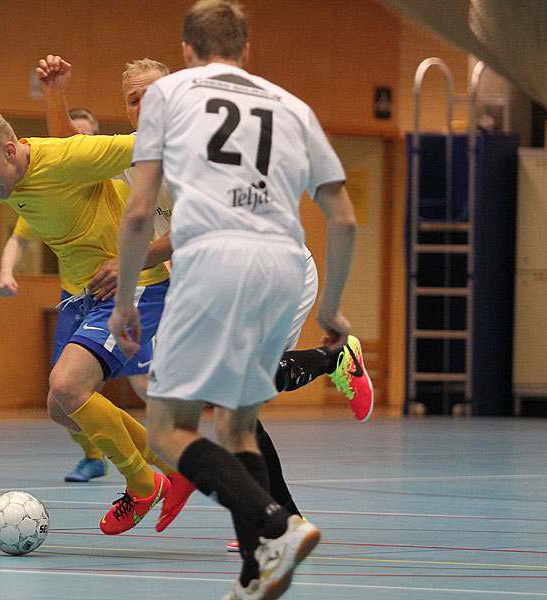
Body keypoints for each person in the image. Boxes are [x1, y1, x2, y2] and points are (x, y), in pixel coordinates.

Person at [41, 53, 372, 540]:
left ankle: (279, 515)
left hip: (272, 270)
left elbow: (195, 226)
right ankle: (327, 371)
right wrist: (55, 95)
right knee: (225, 394)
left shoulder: (200, 149)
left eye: (154, 93)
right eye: (134, 99)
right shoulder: (136, 152)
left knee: (233, 396)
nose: (145, 104)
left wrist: (134, 264)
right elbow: (67, 150)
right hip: (217, 280)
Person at [108, 1, 357, 598]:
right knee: (238, 427)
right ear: (247, 52)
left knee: (167, 428)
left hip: (214, 257)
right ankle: (255, 574)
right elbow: (344, 219)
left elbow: (140, 210)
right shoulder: (292, 106)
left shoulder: (167, 93)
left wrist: (123, 301)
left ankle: (277, 525)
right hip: (284, 264)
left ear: (187, 51)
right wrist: (331, 311)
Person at [0, 100, 185, 536]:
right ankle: (171, 467)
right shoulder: (2, 183)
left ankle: (145, 484)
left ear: (10, 150)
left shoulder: (68, 159)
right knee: (62, 408)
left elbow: (151, 143)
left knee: (68, 386)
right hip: (85, 293)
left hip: (133, 283)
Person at [0, 106, 113, 483]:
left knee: (143, 383)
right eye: (68, 135)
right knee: (62, 393)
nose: (74, 142)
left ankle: (165, 457)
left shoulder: (114, 181)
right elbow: (17, 239)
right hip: (74, 300)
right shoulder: (44, 189)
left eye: (83, 136)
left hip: (121, 294)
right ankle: (96, 454)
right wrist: (4, 272)